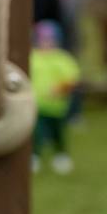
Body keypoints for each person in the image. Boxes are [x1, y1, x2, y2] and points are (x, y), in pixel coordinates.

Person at [29, 20, 81, 174]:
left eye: (50, 40)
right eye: (43, 40)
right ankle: (34, 156)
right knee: (36, 133)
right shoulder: (33, 57)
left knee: (57, 133)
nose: (46, 43)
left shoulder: (62, 59)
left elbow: (72, 80)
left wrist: (60, 89)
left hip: (57, 107)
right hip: (37, 105)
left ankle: (61, 155)